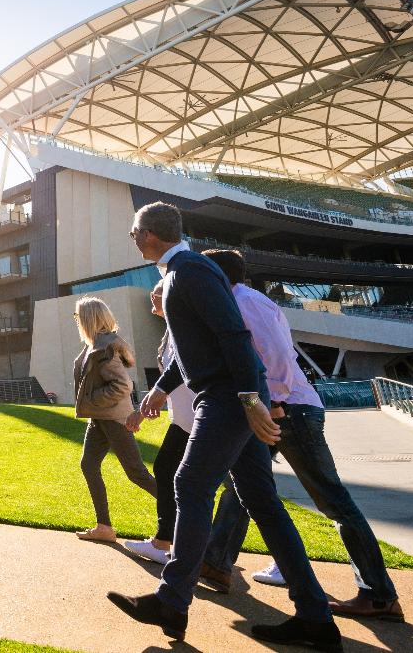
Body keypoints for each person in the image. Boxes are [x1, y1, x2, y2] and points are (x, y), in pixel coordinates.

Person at [106, 202, 341, 651]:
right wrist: (161, 389)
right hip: (230, 394)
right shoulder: (183, 273)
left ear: (149, 234)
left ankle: (171, 600)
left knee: (190, 484)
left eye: (134, 233)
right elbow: (202, 346)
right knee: (262, 503)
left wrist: (253, 400)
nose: (133, 240)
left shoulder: (189, 271)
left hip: (228, 398)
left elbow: (233, 335)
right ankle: (315, 617)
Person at [198, 249, 404, 622]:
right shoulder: (242, 301)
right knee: (243, 486)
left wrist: (274, 400)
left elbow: (275, 355)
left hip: (288, 410)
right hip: (280, 408)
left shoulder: (246, 303)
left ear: (216, 275)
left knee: (332, 501)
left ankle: (379, 595)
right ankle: (214, 562)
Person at [71, 296, 158, 542]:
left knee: (136, 473)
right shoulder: (94, 345)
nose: (76, 321)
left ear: (89, 318)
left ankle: (186, 520)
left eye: (78, 316)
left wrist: (91, 399)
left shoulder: (105, 347)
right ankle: (104, 527)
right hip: (99, 419)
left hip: (113, 418)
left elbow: (122, 385)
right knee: (88, 465)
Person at [122, 280, 195, 564]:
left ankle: (174, 542)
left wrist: (151, 401)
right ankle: (168, 540)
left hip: (198, 417)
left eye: (155, 297)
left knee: (240, 490)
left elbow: (179, 370)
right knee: (168, 470)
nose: (151, 305)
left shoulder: (184, 327)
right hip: (184, 418)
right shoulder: (173, 329)